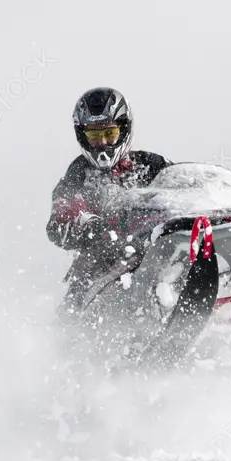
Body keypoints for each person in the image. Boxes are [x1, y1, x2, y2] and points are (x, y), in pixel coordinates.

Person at [47, 87, 172, 308]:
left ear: (124, 130)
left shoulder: (151, 164)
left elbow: (183, 186)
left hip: (152, 259)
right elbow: (58, 223)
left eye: (109, 133)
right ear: (82, 136)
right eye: (94, 135)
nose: (103, 143)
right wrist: (86, 225)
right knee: (69, 317)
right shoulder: (78, 174)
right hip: (96, 272)